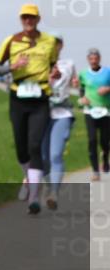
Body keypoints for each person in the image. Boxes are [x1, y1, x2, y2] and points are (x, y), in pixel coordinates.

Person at [0, 3, 61, 215]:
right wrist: (11, 66)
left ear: (38, 19)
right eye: (24, 18)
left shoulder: (49, 41)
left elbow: (53, 66)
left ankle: (33, 198)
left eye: (32, 18)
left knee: (35, 145)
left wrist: (54, 74)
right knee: (22, 149)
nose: (28, 21)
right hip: (18, 97)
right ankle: (30, 178)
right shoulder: (11, 41)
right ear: (21, 20)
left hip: (40, 98)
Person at [40, 31, 75, 210]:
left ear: (61, 45)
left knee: (55, 154)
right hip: (42, 115)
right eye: (51, 42)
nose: (54, 45)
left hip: (62, 114)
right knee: (43, 157)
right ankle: (48, 183)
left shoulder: (68, 64)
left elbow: (69, 78)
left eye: (57, 43)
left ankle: (54, 192)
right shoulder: (39, 64)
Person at [79, 48, 110, 181]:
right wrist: (82, 99)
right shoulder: (83, 73)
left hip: (106, 111)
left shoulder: (108, 72)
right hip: (89, 111)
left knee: (105, 140)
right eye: (91, 59)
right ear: (88, 60)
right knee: (92, 140)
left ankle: (105, 157)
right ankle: (95, 171)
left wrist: (108, 88)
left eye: (96, 58)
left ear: (99, 59)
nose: (93, 61)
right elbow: (81, 89)